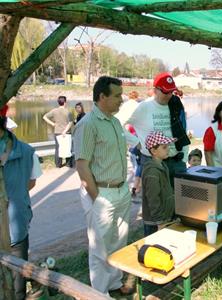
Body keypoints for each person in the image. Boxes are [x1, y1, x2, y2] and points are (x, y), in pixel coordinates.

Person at [73, 76, 133, 296]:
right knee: (99, 247)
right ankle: (99, 293)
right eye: (117, 95)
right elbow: (82, 166)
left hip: (121, 189)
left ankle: (114, 282)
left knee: (119, 240)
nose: (121, 99)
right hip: (101, 192)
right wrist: (97, 197)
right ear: (102, 97)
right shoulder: (87, 124)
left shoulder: (115, 122)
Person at [1, 104, 42, 300]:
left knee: (17, 284)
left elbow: (31, 181)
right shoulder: (26, 150)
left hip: (16, 230)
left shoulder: (26, 152)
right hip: (16, 225)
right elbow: (30, 183)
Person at [124, 72, 190, 187]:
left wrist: (183, 158)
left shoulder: (176, 104)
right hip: (152, 163)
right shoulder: (144, 107)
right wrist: (136, 143)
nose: (169, 95)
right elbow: (115, 123)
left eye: (171, 91)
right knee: (154, 202)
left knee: (178, 203)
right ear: (155, 90)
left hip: (177, 162)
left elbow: (183, 130)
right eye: (165, 91)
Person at [141, 131, 176, 236]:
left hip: (165, 218)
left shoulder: (163, 166)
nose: (168, 149)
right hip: (155, 223)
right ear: (153, 151)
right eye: (164, 147)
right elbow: (153, 198)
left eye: (168, 146)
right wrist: (159, 221)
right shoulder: (152, 172)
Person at [43, 96, 74, 168]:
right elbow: (70, 122)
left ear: (58, 102)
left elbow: (44, 117)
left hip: (57, 132)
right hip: (67, 133)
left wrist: (53, 124)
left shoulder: (54, 111)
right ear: (65, 102)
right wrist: (65, 131)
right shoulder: (68, 111)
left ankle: (58, 165)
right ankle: (68, 164)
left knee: (58, 148)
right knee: (68, 148)